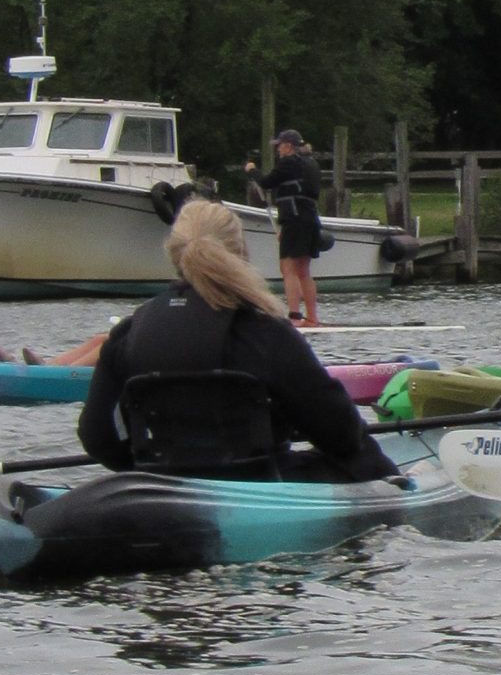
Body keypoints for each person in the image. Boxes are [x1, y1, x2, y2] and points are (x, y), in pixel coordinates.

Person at [77, 199, 396, 482]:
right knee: (363, 459)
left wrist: (142, 470)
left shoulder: (128, 334)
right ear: (241, 254)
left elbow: (97, 438)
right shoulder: (266, 333)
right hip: (260, 487)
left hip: (159, 486)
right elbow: (342, 435)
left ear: (173, 254)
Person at [245, 128, 326, 326]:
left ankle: (295, 317)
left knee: (288, 268)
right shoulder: (311, 164)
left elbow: (265, 182)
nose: (278, 150)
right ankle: (312, 318)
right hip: (309, 218)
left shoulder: (289, 163)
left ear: (288, 146)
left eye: (280, 146)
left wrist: (251, 170)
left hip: (295, 219)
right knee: (303, 270)